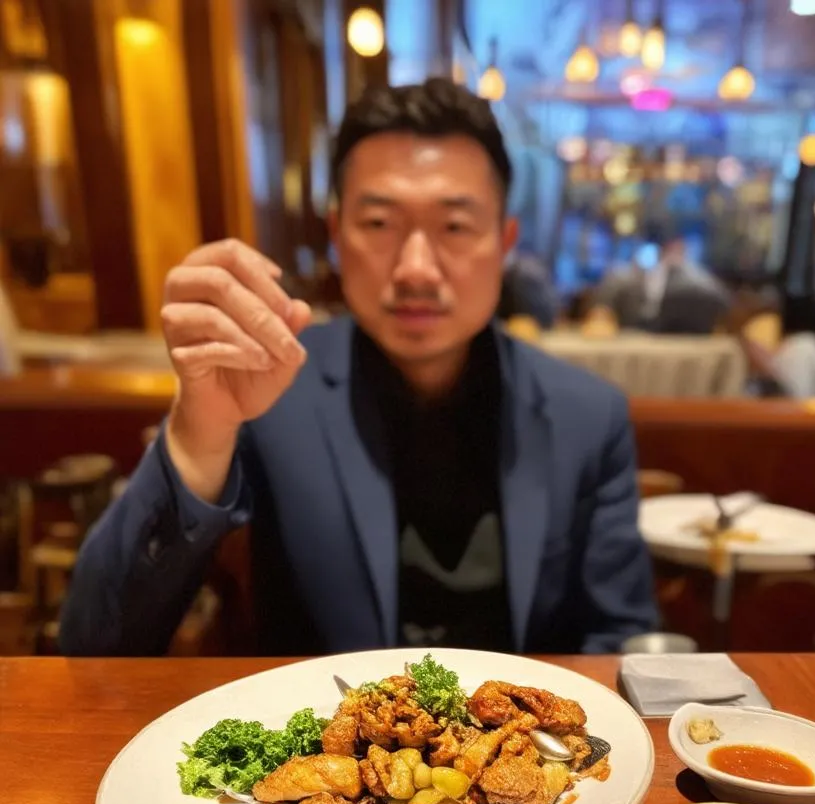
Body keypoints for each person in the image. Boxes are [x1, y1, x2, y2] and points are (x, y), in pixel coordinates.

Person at [59, 78, 657, 657]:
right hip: (324, 752)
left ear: (503, 242)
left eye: (454, 226)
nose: (417, 268)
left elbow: (620, 641)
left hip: (526, 752)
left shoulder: (586, 414)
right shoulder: (270, 393)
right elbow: (95, 645)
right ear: (337, 235)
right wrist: (197, 438)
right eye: (378, 224)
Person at [592, 238, 730, 335]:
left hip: (684, 335)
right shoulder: (627, 275)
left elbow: (724, 301)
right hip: (640, 330)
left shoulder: (699, 278)